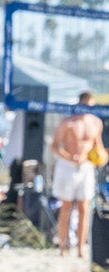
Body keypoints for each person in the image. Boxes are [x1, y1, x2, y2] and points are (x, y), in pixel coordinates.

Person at [49, 94, 101, 256]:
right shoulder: (68, 122)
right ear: (79, 103)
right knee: (66, 207)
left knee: (84, 207)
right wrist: (70, 156)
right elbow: (55, 146)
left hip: (86, 166)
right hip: (68, 165)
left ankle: (80, 247)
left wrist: (100, 156)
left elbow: (97, 145)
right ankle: (63, 246)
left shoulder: (95, 122)